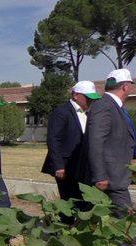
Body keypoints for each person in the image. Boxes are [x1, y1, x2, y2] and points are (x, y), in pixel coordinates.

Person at [83, 69, 136, 217]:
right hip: (109, 178)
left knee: (114, 221)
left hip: (116, 176)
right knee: (124, 220)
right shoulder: (104, 106)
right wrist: (100, 176)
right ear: (126, 87)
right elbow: (95, 142)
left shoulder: (113, 106)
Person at [42, 81, 101, 222]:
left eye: (93, 98)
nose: (91, 101)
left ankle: (80, 229)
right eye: (88, 97)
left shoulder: (90, 114)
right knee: (69, 202)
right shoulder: (61, 112)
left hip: (83, 166)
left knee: (84, 201)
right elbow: (53, 140)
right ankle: (65, 230)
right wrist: (58, 165)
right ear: (75, 95)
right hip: (66, 167)